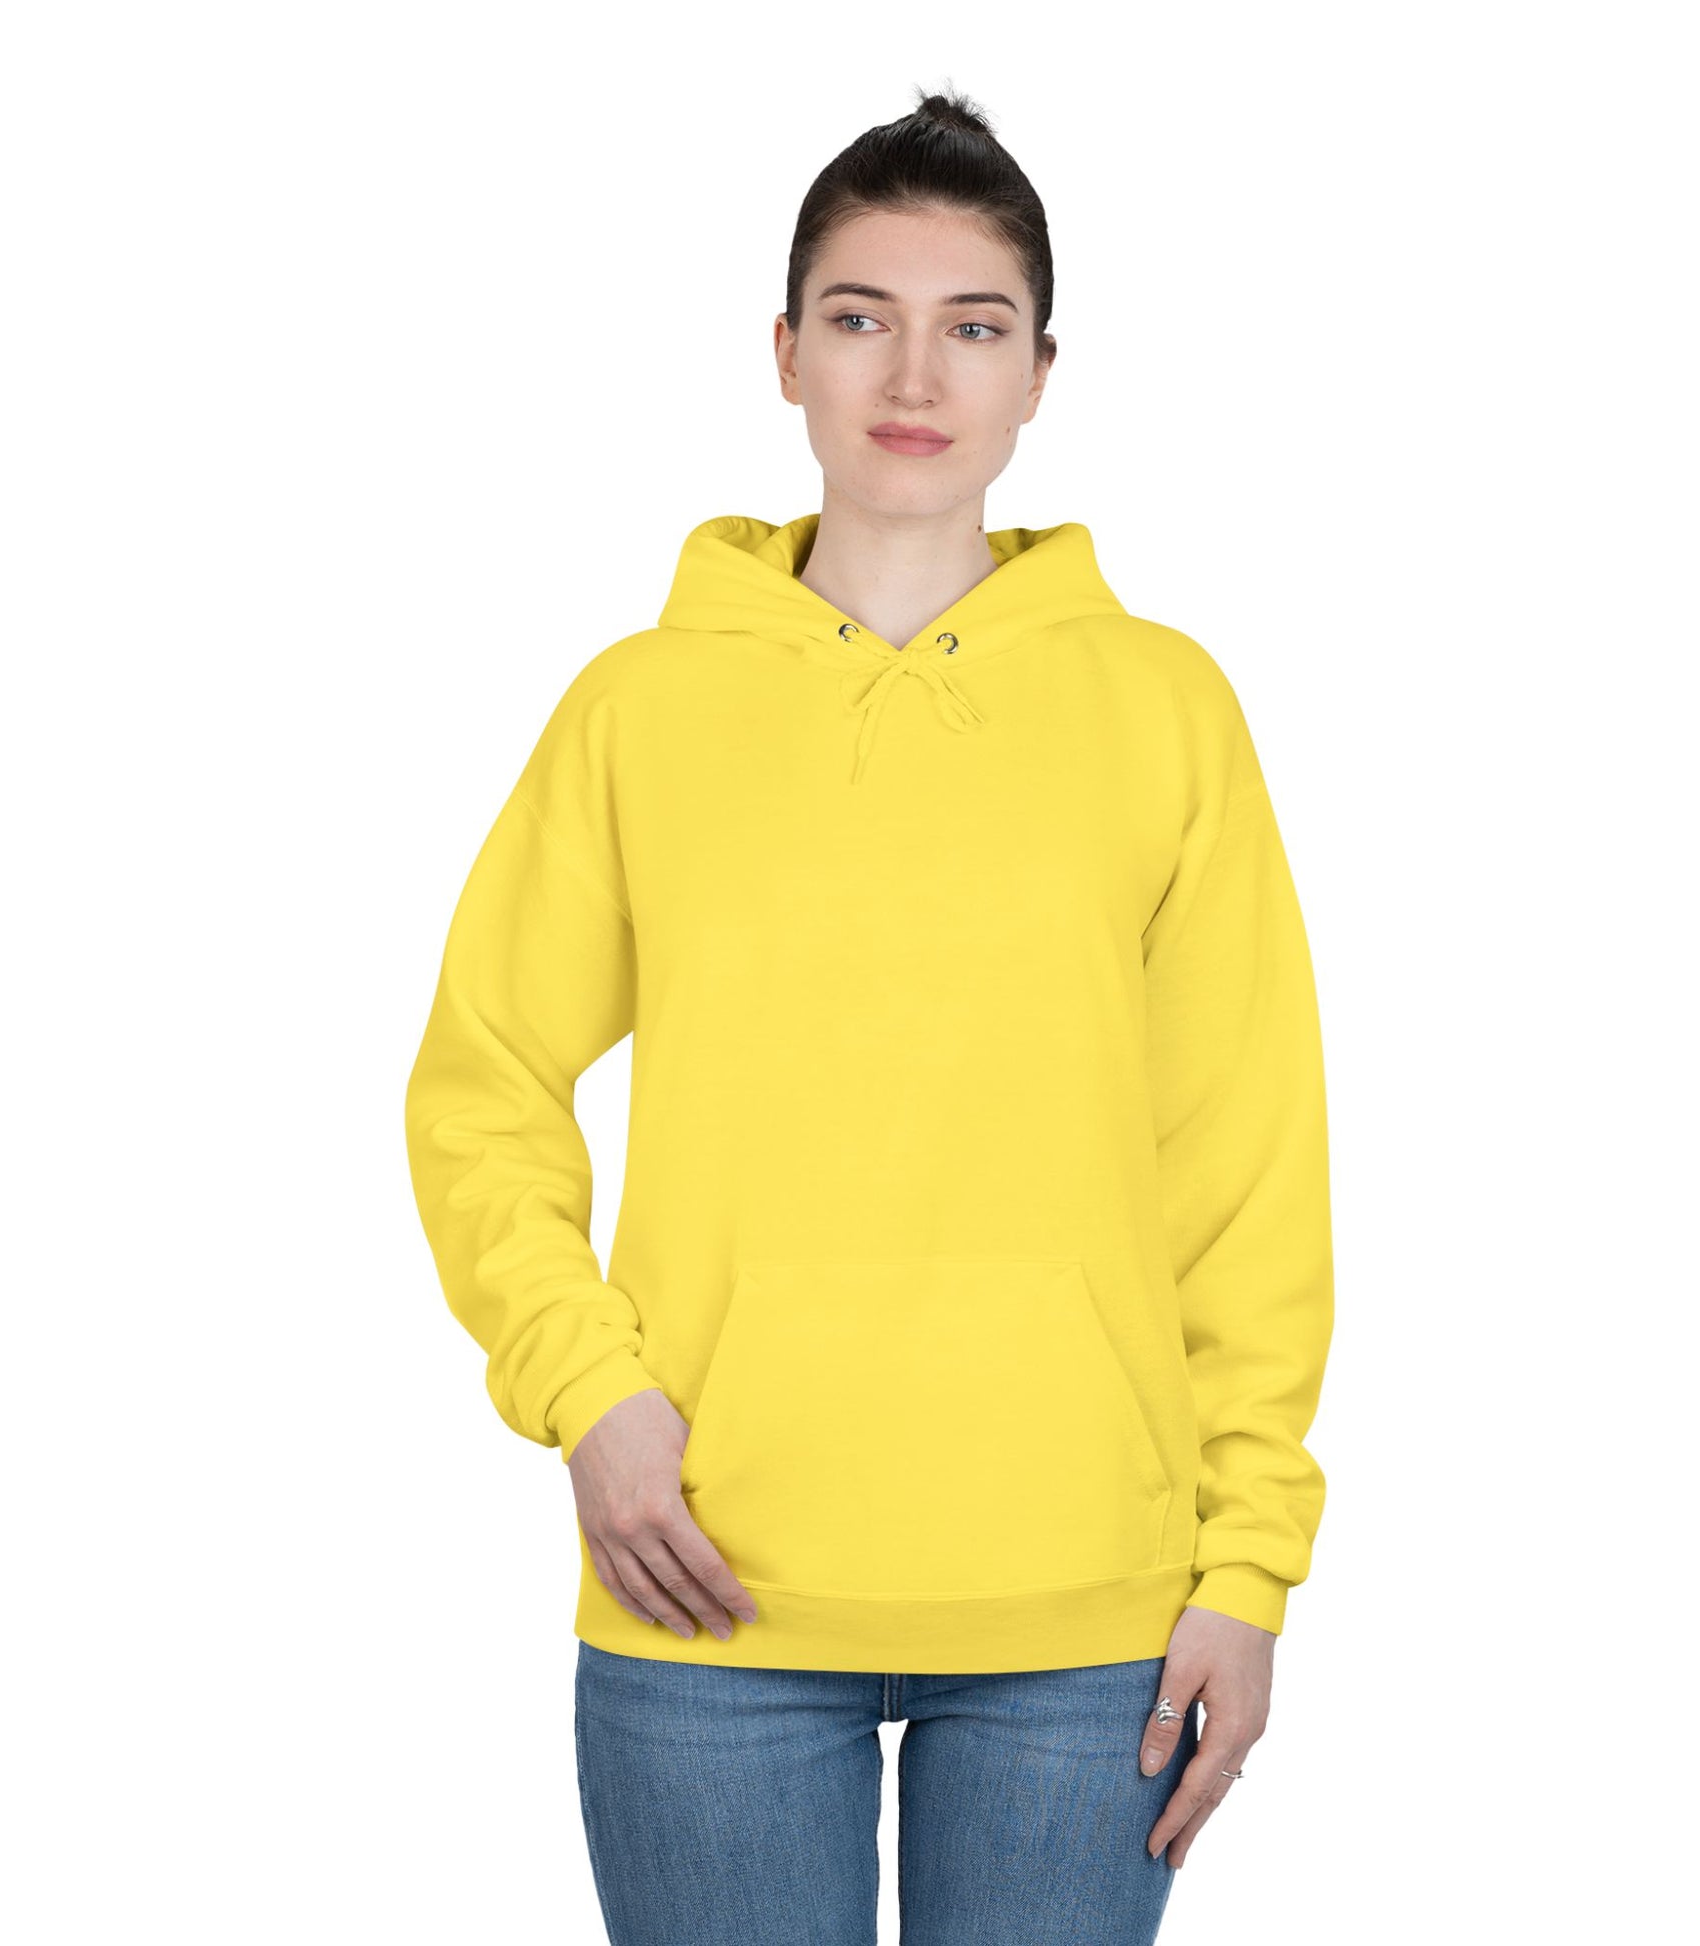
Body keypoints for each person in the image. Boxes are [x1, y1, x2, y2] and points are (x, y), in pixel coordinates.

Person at [404, 86, 1335, 1946]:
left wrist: (1250, 1563)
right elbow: (483, 1084)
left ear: (1039, 373)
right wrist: (590, 1396)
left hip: (1089, 1613)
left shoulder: (1164, 710)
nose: (914, 374)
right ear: (784, 353)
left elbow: (1243, 1167)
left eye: (972, 325)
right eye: (860, 316)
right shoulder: (640, 708)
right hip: (703, 1587)